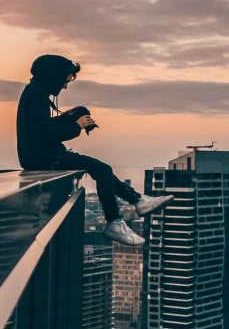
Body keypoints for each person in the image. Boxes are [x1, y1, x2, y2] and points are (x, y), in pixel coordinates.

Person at [16, 54, 172, 246]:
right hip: (45, 159)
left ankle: (137, 201)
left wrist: (69, 117)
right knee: (102, 169)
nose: (65, 85)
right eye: (66, 79)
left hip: (45, 157)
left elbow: (40, 127)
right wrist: (77, 125)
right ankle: (120, 218)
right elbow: (43, 133)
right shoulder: (37, 95)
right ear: (53, 75)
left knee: (101, 169)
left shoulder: (34, 92)